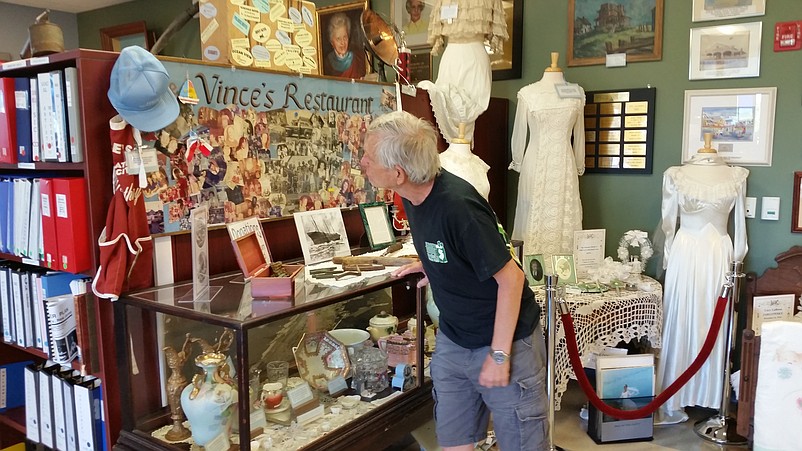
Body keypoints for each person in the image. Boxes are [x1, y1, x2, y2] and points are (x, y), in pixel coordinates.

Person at [361, 111, 547, 450]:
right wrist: (432, 264)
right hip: (454, 339)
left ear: (398, 172)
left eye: (369, 157)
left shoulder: (459, 207)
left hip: (504, 340)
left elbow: (512, 279)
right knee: (454, 442)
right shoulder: (413, 195)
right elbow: (450, 246)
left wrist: (500, 355)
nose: (363, 162)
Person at [655, 136, 749, 425]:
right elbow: (668, 221)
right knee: (682, 318)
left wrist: (738, 257)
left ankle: (710, 397)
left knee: (713, 321)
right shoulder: (675, 174)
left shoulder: (736, 175)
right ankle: (673, 397)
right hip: (686, 252)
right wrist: (670, 258)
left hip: (718, 253)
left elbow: (740, 223)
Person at [509, 53, 585, 261]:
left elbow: (579, 134)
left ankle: (564, 270)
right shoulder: (528, 93)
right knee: (533, 214)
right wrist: (517, 159)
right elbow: (519, 133)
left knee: (563, 215)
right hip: (535, 164)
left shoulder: (576, 92)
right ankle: (530, 270)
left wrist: (579, 161)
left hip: (564, 164)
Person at [323, 12, 366, 79]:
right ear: (332, 42)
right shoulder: (327, 63)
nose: (342, 42)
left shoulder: (359, 59)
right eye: (338, 39)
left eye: (345, 37)